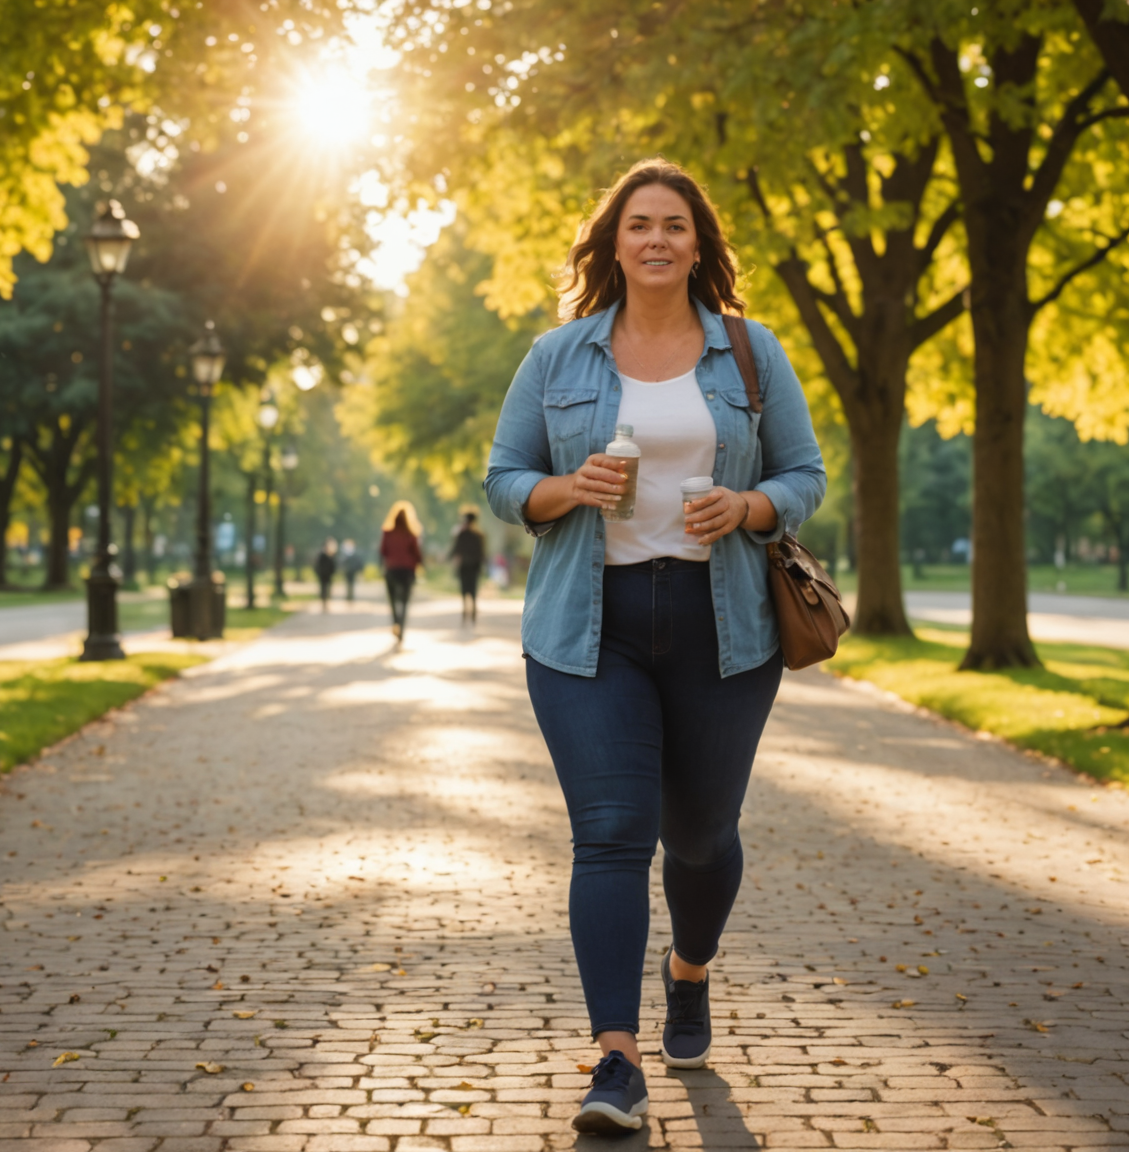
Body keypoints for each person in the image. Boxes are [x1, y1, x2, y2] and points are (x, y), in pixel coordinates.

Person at [483, 158, 825, 1134]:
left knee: (702, 836)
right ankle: (616, 1062)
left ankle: (690, 970)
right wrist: (567, 489)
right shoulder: (558, 357)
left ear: (699, 243)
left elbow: (805, 474)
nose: (657, 239)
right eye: (639, 224)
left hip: (726, 628)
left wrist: (749, 506)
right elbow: (505, 480)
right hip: (589, 631)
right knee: (610, 833)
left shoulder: (752, 352)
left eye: (675, 224)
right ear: (614, 242)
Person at [377, 502, 423, 642]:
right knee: (404, 601)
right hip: (407, 571)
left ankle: (396, 622)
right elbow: (417, 554)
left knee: (392, 600)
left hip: (391, 569)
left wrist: (384, 565)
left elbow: (383, 551)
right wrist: (420, 565)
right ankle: (401, 627)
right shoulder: (411, 534)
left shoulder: (387, 533)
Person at [446, 509, 487, 625]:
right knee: (473, 588)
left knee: (464, 589)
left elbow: (456, 549)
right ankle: (472, 609)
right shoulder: (479, 535)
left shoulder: (462, 534)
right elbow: (482, 553)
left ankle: (465, 610)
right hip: (474, 566)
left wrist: (447, 558)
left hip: (464, 566)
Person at [312, 539, 340, 612]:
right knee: (323, 589)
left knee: (328, 589)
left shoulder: (331, 556)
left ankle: (326, 603)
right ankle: (324, 603)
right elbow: (317, 565)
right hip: (322, 575)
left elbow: (333, 566)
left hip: (328, 575)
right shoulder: (322, 555)